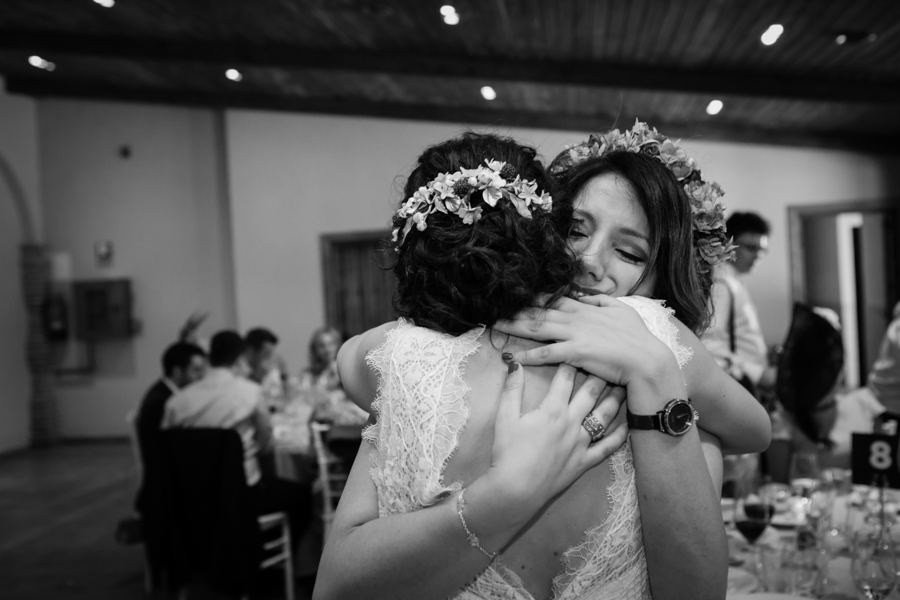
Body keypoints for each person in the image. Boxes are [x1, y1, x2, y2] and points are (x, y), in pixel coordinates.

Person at [315, 129, 770, 600]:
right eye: (575, 230)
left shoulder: (664, 366)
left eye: (629, 252)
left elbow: (353, 362)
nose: (588, 261)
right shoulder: (426, 355)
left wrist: (654, 365)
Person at [162, 330, 310, 543]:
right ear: (240, 359)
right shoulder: (249, 392)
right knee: (303, 496)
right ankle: (263, 554)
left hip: (189, 496)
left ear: (210, 357)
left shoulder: (177, 402)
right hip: (241, 493)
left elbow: (166, 448)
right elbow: (266, 444)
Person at [701, 211, 773, 395]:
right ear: (729, 244)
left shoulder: (735, 279)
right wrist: (759, 375)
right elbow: (710, 344)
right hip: (735, 384)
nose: (757, 256)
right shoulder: (721, 282)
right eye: (750, 247)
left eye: (762, 249)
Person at [134, 341, 207, 513]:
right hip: (168, 483)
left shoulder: (168, 393)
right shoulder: (163, 402)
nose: (202, 377)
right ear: (177, 372)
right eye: (196, 371)